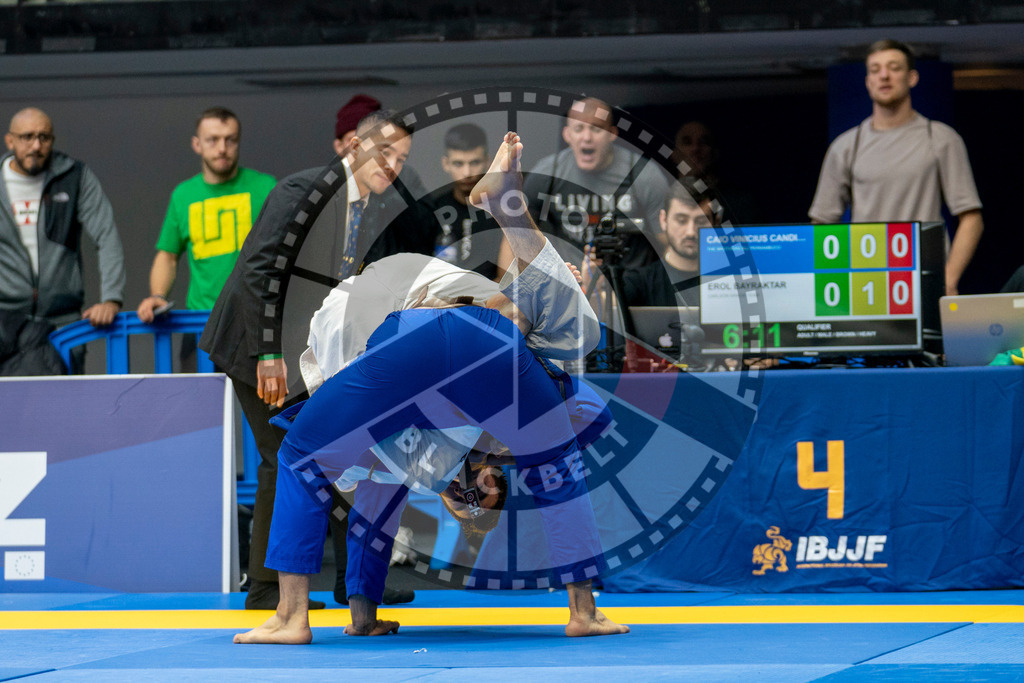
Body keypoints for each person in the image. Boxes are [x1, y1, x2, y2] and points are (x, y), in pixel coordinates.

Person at [234, 132, 629, 644]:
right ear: (492, 481)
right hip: (472, 332)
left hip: (414, 335)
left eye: (467, 504)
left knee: (302, 456)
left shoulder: (408, 458)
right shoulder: (479, 445)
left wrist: (363, 614)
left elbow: (375, 507)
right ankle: (584, 611)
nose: (471, 495)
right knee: (565, 365)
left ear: (451, 501)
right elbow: (579, 430)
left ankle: (290, 617)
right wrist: (559, 295)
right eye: (483, 498)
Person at [199, 109, 422, 610]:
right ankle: (264, 588)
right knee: (284, 457)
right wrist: (269, 354)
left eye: (402, 159)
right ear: (353, 146)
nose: (392, 165)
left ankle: (356, 582)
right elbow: (259, 271)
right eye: (384, 151)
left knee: (346, 447)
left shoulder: (369, 206)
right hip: (255, 345)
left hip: (306, 349)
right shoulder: (304, 189)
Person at [808, 38, 984, 296]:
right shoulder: (846, 145)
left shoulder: (940, 138)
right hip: (866, 283)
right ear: (868, 82)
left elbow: (971, 218)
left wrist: (948, 279)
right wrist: (835, 282)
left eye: (894, 67)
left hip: (925, 279)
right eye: (876, 70)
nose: (885, 76)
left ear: (912, 77)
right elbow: (821, 224)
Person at [136, 107, 275, 369]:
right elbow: (167, 255)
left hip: (254, 321)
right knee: (200, 406)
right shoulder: (183, 195)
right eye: (213, 140)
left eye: (230, 139)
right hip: (202, 324)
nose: (222, 148)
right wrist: (157, 295)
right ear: (197, 144)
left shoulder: (266, 187)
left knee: (262, 409)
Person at [0, 107, 126, 373]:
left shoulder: (74, 176)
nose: (36, 145)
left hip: (62, 323)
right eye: (27, 137)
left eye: (44, 137)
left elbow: (106, 235)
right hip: (5, 322)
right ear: (9, 140)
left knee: (62, 410)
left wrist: (112, 299)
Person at [522, 97, 669, 271]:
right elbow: (517, 234)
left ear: (612, 134)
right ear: (567, 135)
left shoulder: (644, 175)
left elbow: (668, 243)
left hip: (632, 284)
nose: (587, 137)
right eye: (578, 129)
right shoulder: (547, 173)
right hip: (570, 281)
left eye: (596, 128)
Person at [427, 123, 504, 280]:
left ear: (487, 162)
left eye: (474, 163)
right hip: (438, 299)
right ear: (446, 164)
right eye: (458, 163)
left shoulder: (502, 210)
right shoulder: (431, 209)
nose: (467, 173)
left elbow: (508, 279)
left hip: (489, 300)